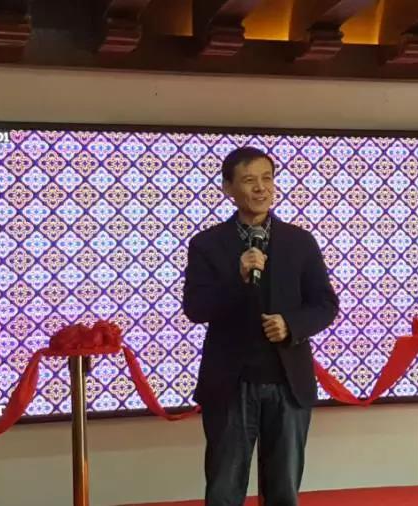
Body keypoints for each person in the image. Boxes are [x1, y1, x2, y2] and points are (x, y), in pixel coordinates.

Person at [183, 146, 339, 506]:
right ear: (228, 188)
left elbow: (325, 304)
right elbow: (195, 308)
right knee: (224, 490)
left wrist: (291, 324)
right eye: (249, 180)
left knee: (283, 490)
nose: (261, 188)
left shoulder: (300, 241)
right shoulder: (207, 244)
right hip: (230, 384)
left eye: (267, 179)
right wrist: (237, 280)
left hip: (288, 382)